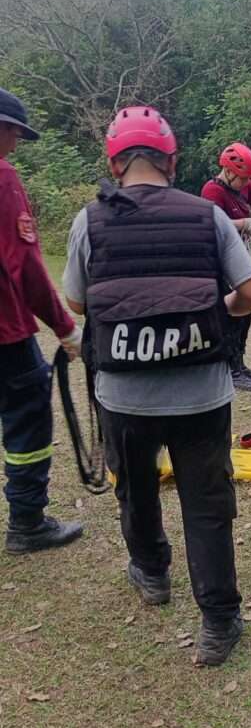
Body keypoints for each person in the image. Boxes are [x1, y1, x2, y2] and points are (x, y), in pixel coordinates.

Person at [64, 106, 251, 666]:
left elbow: (77, 302)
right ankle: (219, 622)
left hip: (123, 394)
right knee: (207, 504)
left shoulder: (89, 220)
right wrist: (214, 310)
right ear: (171, 161)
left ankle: (152, 573)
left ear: (115, 163)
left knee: (136, 488)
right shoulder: (208, 215)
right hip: (202, 393)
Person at [0, 87, 84, 554]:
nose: (15, 145)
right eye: (14, 133)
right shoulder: (3, 177)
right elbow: (26, 266)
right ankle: (28, 522)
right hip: (5, 332)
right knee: (28, 418)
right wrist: (64, 327)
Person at [201, 143, 251, 392]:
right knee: (232, 314)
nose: (246, 183)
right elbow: (211, 222)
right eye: (242, 178)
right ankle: (230, 367)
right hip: (222, 261)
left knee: (246, 312)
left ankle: (239, 361)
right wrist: (242, 222)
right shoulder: (212, 191)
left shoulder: (243, 184)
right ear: (228, 172)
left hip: (241, 255)